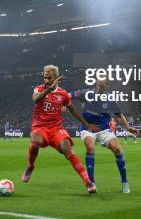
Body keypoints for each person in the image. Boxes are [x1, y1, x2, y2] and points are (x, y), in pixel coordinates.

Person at [21, 65, 100, 194]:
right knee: (35, 142)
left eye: (49, 78)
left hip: (56, 129)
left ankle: (88, 182)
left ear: (56, 77)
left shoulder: (63, 94)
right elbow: (36, 99)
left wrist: (87, 124)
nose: (46, 80)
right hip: (40, 128)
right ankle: (30, 166)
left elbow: (72, 109)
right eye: (45, 77)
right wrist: (49, 89)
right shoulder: (39, 89)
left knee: (67, 148)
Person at [70, 78, 140, 193]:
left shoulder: (110, 99)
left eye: (102, 86)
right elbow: (66, 95)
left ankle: (125, 182)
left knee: (118, 149)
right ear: (95, 85)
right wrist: (63, 104)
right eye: (98, 85)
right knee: (90, 146)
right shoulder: (86, 93)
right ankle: (91, 183)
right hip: (88, 129)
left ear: (107, 86)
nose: (99, 88)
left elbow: (119, 115)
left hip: (104, 130)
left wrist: (128, 127)